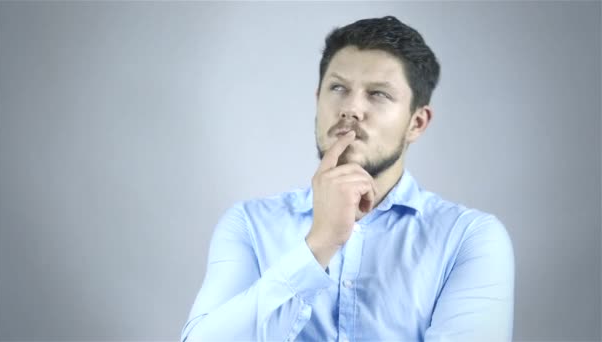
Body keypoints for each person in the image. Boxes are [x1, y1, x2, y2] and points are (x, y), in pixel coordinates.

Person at [181, 15, 514, 342]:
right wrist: (319, 245)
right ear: (317, 100)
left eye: (378, 94)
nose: (351, 109)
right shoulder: (249, 224)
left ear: (417, 123)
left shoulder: (469, 239)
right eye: (338, 87)